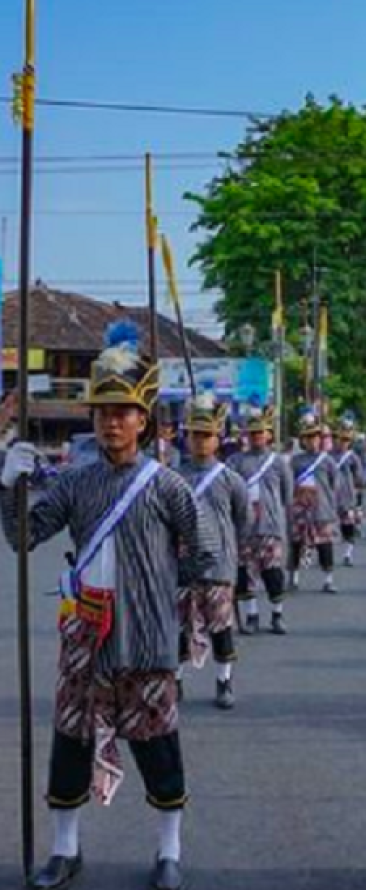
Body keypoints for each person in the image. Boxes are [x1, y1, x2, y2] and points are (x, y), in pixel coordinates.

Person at [1, 321, 213, 890]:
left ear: (144, 419)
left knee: (158, 747)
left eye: (122, 411)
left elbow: (205, 552)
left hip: (146, 639)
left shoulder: (168, 486)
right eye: (102, 411)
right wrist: (9, 484)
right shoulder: (73, 484)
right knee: (70, 742)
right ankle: (64, 849)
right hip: (85, 640)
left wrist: (168, 602)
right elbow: (23, 537)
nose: (111, 421)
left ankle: (169, 851)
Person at [177, 388, 249, 710]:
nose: (201, 441)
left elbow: (242, 520)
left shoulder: (232, 480)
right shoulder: (173, 477)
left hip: (220, 567)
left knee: (221, 627)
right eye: (195, 435)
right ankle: (174, 682)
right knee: (178, 627)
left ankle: (224, 681)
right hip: (182, 566)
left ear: (217, 438)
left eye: (207, 435)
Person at [227, 399, 294, 635]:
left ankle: (277, 614)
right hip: (244, 528)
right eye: (252, 433)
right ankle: (252, 615)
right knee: (245, 574)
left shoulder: (278, 463)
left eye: (260, 433)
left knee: (272, 573)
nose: (256, 437)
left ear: (268, 435)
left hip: (270, 526)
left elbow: (287, 495)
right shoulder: (235, 462)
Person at [289, 413, 340, 593]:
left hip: (321, 508)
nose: (312, 441)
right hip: (300, 508)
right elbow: (289, 483)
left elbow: (335, 483)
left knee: (324, 544)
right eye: (308, 437)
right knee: (295, 543)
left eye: (315, 437)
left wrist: (328, 501)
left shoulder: (327, 461)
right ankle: (293, 577)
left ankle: (328, 579)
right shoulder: (295, 461)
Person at [332, 415, 366, 567]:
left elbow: (359, 479)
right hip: (330, 498)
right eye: (341, 439)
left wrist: (358, 500)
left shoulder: (353, 458)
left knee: (348, 527)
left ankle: (348, 553)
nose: (343, 443)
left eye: (346, 440)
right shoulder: (327, 456)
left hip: (348, 497)